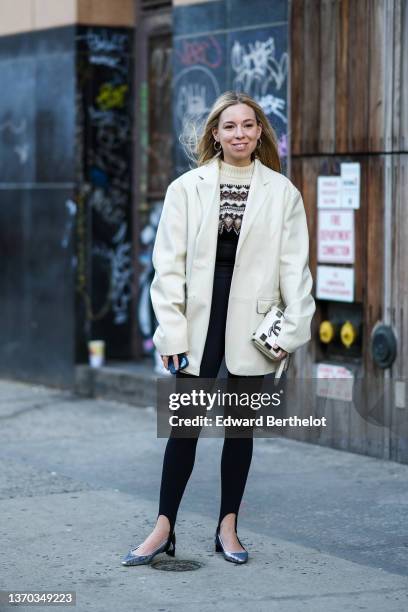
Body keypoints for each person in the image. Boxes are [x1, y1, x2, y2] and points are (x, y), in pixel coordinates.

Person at [121, 91, 315, 566]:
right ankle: (163, 528)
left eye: (249, 126)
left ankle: (228, 527)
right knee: (183, 429)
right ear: (215, 133)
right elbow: (167, 268)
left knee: (240, 432)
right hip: (197, 321)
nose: (240, 134)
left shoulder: (282, 192)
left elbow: (296, 269)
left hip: (255, 325)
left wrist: (289, 332)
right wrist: (170, 332)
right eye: (230, 126)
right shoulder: (186, 188)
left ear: (260, 133)